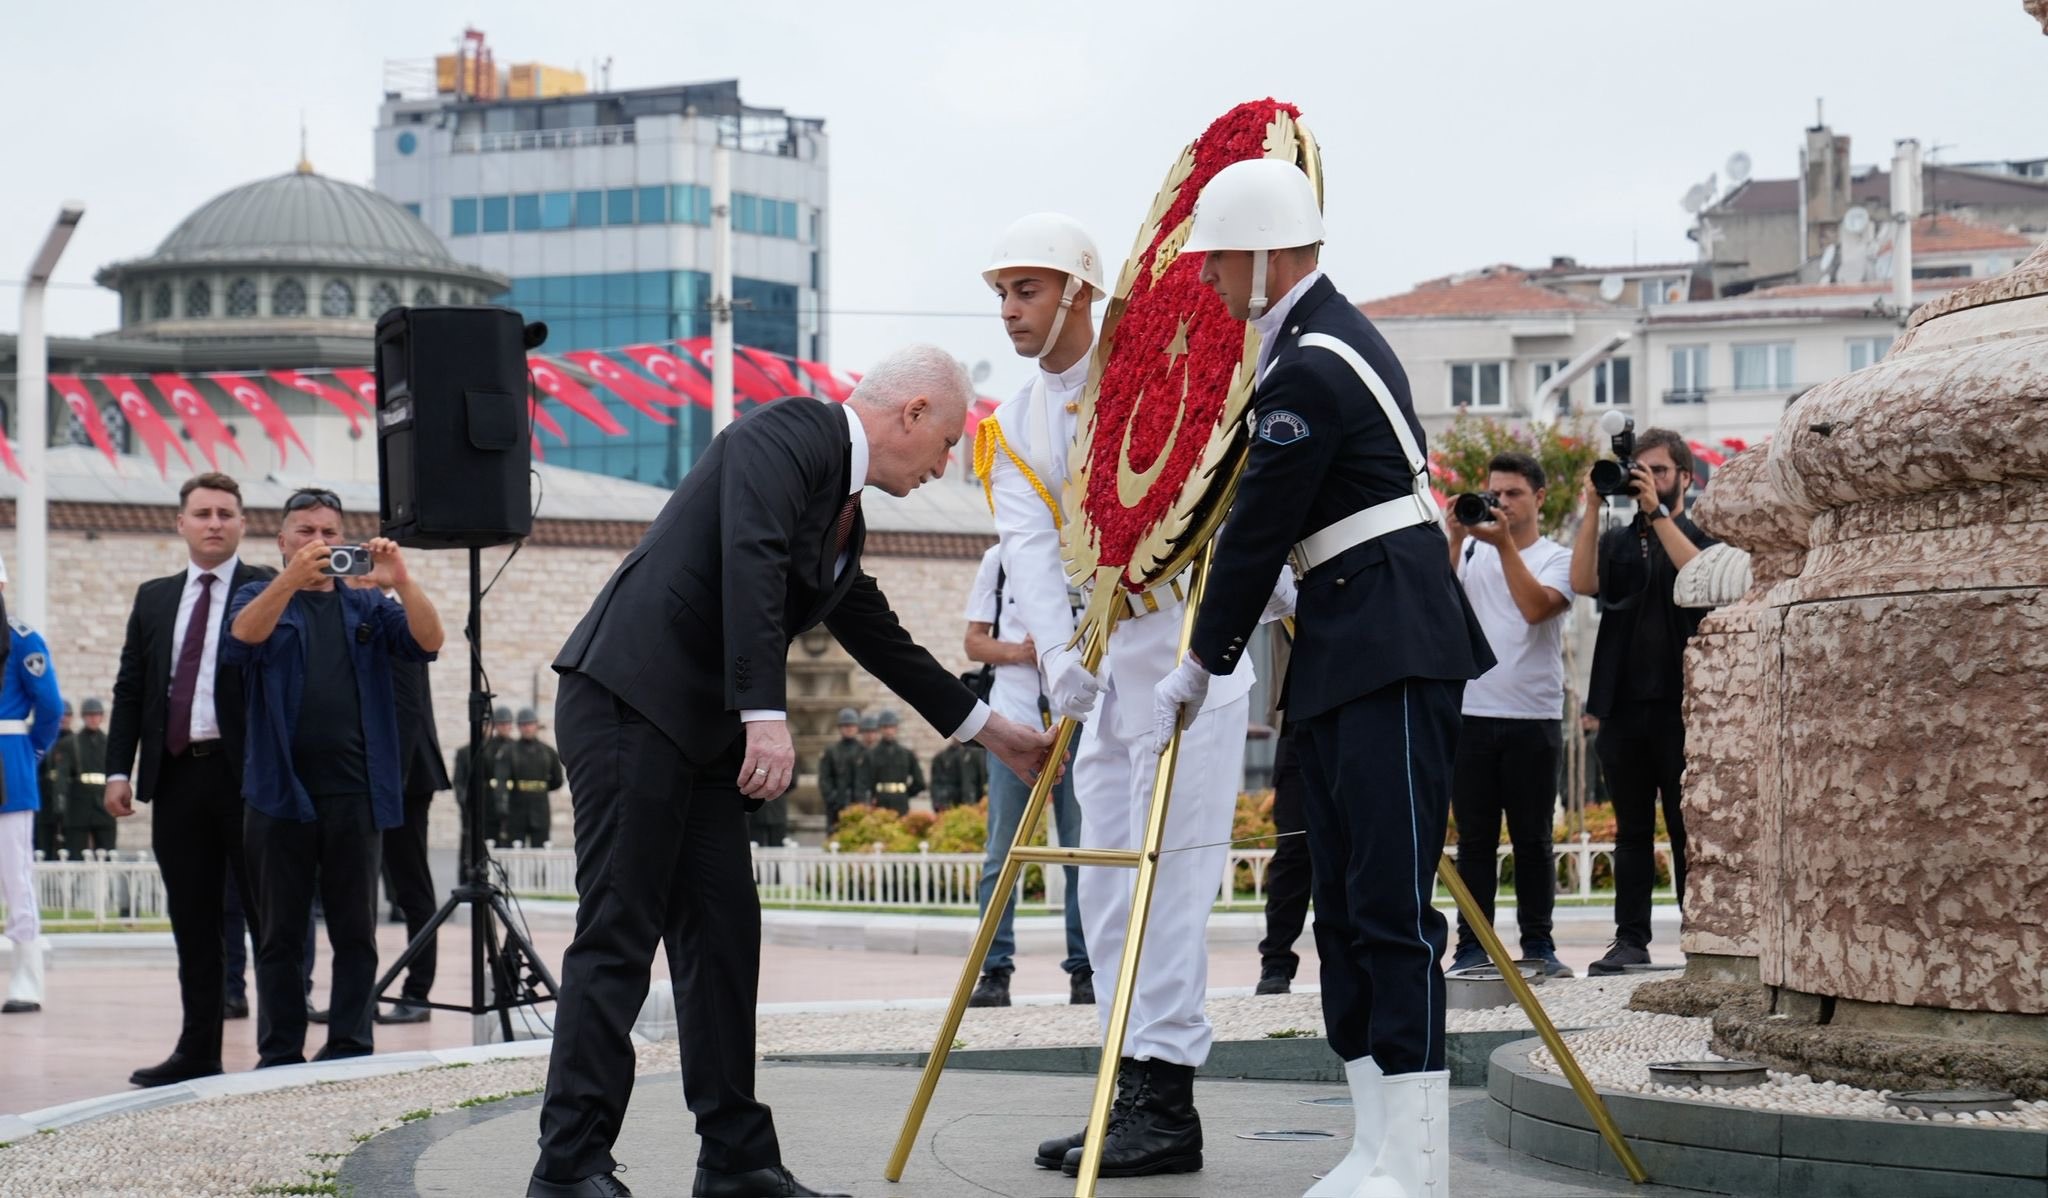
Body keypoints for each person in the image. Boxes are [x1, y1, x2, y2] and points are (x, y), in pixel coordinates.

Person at [530, 346, 1056, 1198]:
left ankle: (735, 1162)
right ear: (913, 413)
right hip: (631, 701)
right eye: (948, 442)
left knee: (724, 939)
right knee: (620, 933)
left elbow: (877, 634)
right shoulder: (786, 435)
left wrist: (992, 731)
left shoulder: (842, 512)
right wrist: (764, 715)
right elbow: (750, 557)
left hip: (701, 735)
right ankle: (568, 1168)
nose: (944, 466)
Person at [1152, 158, 1494, 1197]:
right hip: (1350, 638)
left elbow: (1259, 525)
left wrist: (1200, 661)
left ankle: (1417, 1162)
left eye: (1218, 258)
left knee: (1387, 903)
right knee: (1342, 907)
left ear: (1265, 255)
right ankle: (1374, 1144)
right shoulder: (1307, 345)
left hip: (1387, 642)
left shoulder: (1309, 362)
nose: (1207, 277)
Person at [976, 212, 1283, 1177]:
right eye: (1002, 294)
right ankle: (1124, 1081)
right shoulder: (1014, 422)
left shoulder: (1156, 371)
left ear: (1080, 291)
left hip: (1190, 653)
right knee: (1105, 883)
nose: (1010, 311)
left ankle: (1169, 1100)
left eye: (1027, 290)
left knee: (1173, 882)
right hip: (1101, 671)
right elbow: (1029, 548)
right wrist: (1056, 658)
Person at [226, 487, 443, 1067]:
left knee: (355, 932)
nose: (318, 542)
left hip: (356, 793)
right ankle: (280, 1050)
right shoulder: (258, 596)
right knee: (279, 933)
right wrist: (289, 581)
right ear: (282, 540)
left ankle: (349, 1044)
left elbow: (429, 641)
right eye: (306, 531)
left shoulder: (367, 605)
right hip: (279, 792)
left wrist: (402, 581)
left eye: (329, 532)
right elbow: (243, 637)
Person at [106, 473, 273, 1084]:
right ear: (181, 523)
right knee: (195, 921)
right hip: (176, 775)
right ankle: (198, 1050)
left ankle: (279, 1050)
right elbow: (131, 689)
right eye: (202, 513)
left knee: (267, 917)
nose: (214, 523)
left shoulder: (266, 588)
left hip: (249, 777)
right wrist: (118, 770)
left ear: (243, 524)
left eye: (226, 513)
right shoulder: (154, 598)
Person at [1568, 428, 1715, 976]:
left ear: (1685, 478)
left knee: (1686, 827)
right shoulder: (1616, 540)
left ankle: (1701, 938)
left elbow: (1701, 580)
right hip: (1623, 704)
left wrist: (1658, 514)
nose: (1647, 479)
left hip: (1684, 704)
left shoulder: (1703, 534)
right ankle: (1630, 940)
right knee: (1631, 831)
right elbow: (1582, 581)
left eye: (1659, 470)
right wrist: (1591, 506)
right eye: (1641, 470)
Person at [1445, 451, 1577, 978]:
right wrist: (1453, 536)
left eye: (1514, 493)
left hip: (1533, 716)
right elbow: (1435, 602)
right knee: (1474, 841)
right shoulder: (1469, 552)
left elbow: (1536, 608)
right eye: (1494, 493)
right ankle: (1472, 948)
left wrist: (1502, 546)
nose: (1501, 502)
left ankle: (1538, 945)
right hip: (1471, 712)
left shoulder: (1556, 557)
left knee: (1533, 839)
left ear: (1539, 498)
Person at [961, 541, 1090, 1008]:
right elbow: (974, 642)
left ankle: (1085, 967)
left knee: (1081, 852)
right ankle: (994, 971)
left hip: (1079, 720)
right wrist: (1021, 652)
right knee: (1002, 853)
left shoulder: (1091, 548)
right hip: (1012, 721)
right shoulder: (999, 558)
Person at [376, 612, 451, 1025]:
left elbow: (407, 706)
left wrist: (389, 783)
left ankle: (417, 992)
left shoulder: (398, 616)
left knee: (411, 886)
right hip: (371, 774)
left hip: (402, 778)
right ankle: (359, 996)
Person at [0, 566, 61, 1015]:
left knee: (14, 872)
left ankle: (27, 976)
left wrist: (30, 751)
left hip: (7, 759)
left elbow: (51, 706)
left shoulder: (22, 640)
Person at [1254, 631, 1312, 996]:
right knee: (1293, 849)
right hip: (1297, 717)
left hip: (1357, 709)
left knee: (1355, 846)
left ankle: (1357, 959)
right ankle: (1276, 960)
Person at [503, 708, 564, 847]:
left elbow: (557, 780)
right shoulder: (510, 751)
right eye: (523, 725)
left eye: (530, 724)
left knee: (541, 848)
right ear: (518, 727)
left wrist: (540, 789)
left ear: (536, 725)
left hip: (540, 807)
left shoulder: (548, 752)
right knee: (515, 848)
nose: (527, 728)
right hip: (517, 807)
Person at [455, 705, 515, 845]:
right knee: (473, 842)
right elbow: (459, 781)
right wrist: (465, 801)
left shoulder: (512, 747)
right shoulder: (473, 750)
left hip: (503, 804)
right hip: (480, 802)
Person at [63, 698, 115, 859]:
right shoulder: (72, 743)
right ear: (83, 717)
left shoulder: (109, 743)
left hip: (103, 803)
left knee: (107, 852)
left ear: (102, 717)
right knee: (76, 853)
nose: (93, 719)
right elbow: (64, 778)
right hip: (79, 804)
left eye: (96, 715)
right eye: (89, 715)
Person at [815, 707, 867, 832]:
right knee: (835, 836)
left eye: (852, 725)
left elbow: (869, 778)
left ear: (857, 727)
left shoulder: (864, 752)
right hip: (836, 805)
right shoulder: (831, 751)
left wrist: (864, 799)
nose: (849, 728)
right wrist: (832, 797)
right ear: (840, 727)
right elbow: (824, 778)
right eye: (845, 725)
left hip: (859, 804)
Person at [862, 710, 922, 815]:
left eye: (891, 727)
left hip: (901, 802)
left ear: (896, 728)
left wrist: (905, 794)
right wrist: (872, 796)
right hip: (879, 801)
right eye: (885, 727)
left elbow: (919, 782)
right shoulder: (871, 754)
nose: (888, 731)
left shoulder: (907, 754)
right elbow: (864, 781)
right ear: (880, 729)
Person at [34, 700, 70, 860]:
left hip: (68, 798)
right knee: (43, 841)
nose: (64, 719)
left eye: (67, 715)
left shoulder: (74, 741)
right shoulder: (46, 740)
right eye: (62, 716)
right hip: (45, 797)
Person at [927, 738, 984, 811]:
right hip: (950, 804)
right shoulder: (942, 757)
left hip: (973, 804)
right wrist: (939, 803)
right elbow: (937, 784)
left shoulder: (975, 755)